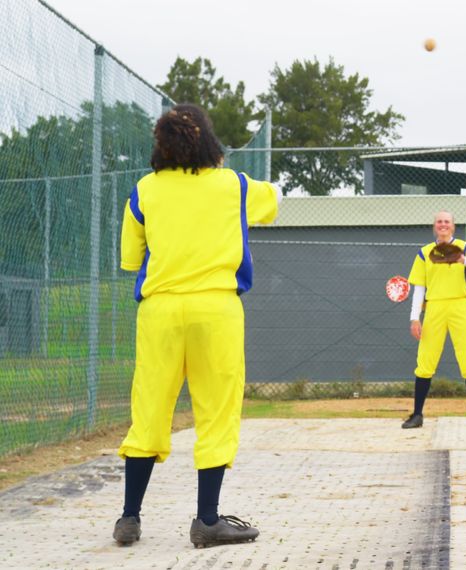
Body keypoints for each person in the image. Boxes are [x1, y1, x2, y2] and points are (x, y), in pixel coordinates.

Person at [113, 104, 280, 549]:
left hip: (160, 311)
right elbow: (274, 201)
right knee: (216, 410)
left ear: (160, 146)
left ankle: (129, 517)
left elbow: (131, 259)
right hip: (216, 309)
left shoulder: (144, 190)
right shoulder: (235, 185)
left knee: (149, 406)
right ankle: (207, 521)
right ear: (209, 141)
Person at [402, 210, 466, 429]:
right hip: (434, 307)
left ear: (453, 226)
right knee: (425, 359)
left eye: (447, 222)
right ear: (435, 226)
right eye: (439, 222)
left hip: (460, 305)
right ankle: (417, 415)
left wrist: (463, 260)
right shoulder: (425, 253)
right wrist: (415, 318)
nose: (443, 225)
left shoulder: (465, 248)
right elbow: (419, 288)